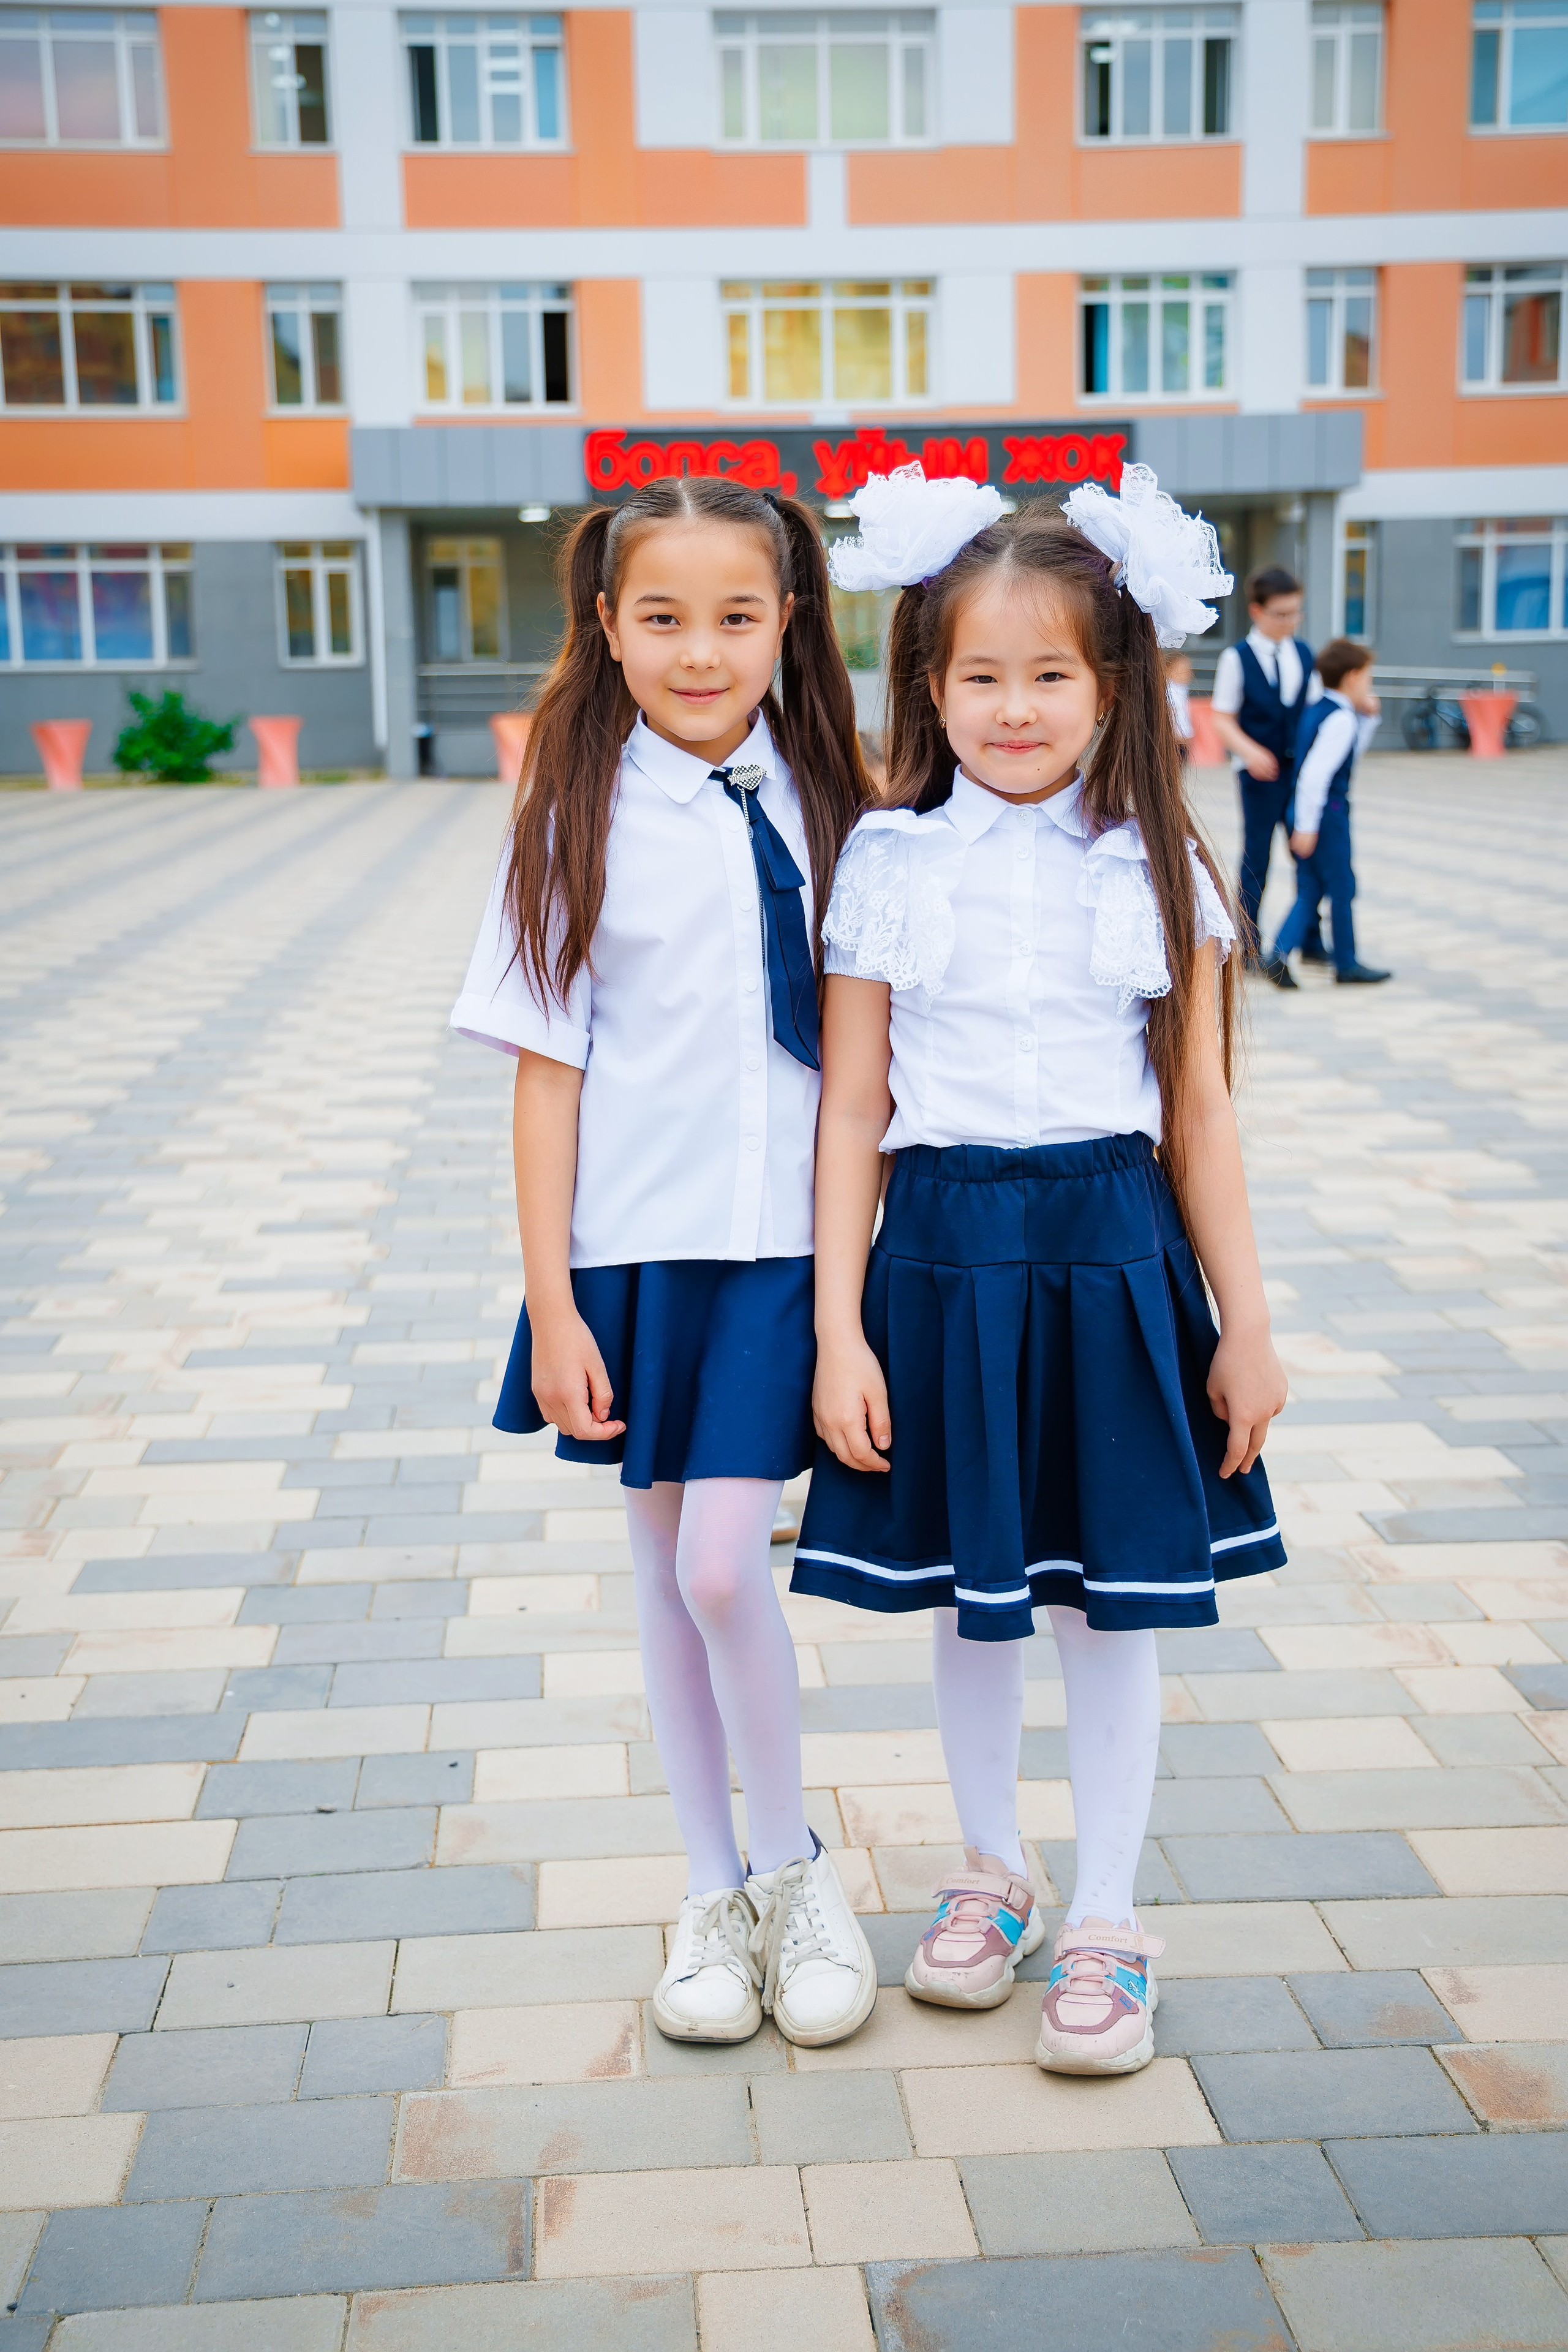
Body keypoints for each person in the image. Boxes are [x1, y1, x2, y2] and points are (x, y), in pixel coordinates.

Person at [795, 464, 1287, 2075]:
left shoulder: (1159, 867)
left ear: (1114, 682)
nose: (1014, 708)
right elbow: (854, 1111)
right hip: (939, 1258)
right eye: (980, 676)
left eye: (1051, 674)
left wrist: (1250, 1328)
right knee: (975, 1603)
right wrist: (835, 1331)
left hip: (1114, 1253)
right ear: (928, 683)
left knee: (1110, 1610)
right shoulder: (886, 861)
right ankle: (992, 1872)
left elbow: (1201, 1111)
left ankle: (1108, 1918)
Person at [450, 477, 879, 2050]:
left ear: (788, 622)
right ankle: (712, 1889)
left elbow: (874, 1064)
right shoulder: (569, 812)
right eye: (661, 617)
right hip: (634, 1256)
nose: (699, 651)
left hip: (787, 1255)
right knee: (660, 1574)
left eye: (735, 616)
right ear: (607, 626)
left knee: (720, 1567)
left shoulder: (846, 802)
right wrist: (552, 1297)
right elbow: (543, 1070)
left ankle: (794, 1865)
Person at [1210, 565, 1323, 987]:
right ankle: (1249, 946)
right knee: (1257, 858)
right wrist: (1250, 751)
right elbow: (1222, 718)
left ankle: (1311, 938)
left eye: (1296, 613)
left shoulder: (1305, 655)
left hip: (1298, 773)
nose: (1290, 622)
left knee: (1308, 854)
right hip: (1257, 774)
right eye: (1281, 614)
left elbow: (1311, 714)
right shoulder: (1235, 657)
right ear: (1257, 611)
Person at [1268, 637, 1391, 986]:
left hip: (1307, 811)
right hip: (1326, 814)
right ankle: (1346, 963)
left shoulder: (1321, 708)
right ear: (1353, 677)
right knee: (1341, 887)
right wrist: (1308, 826)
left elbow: (1345, 756)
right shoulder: (1341, 719)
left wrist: (1369, 719)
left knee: (1310, 887)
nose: (1369, 685)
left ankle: (1279, 953)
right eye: (1368, 677)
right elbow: (1316, 776)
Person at [1164, 647, 1194, 760]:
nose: (1189, 673)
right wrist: (1175, 735)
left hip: (1183, 739)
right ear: (1169, 670)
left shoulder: (1182, 689)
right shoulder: (1171, 690)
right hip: (1175, 740)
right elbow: (1171, 714)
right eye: (1183, 669)